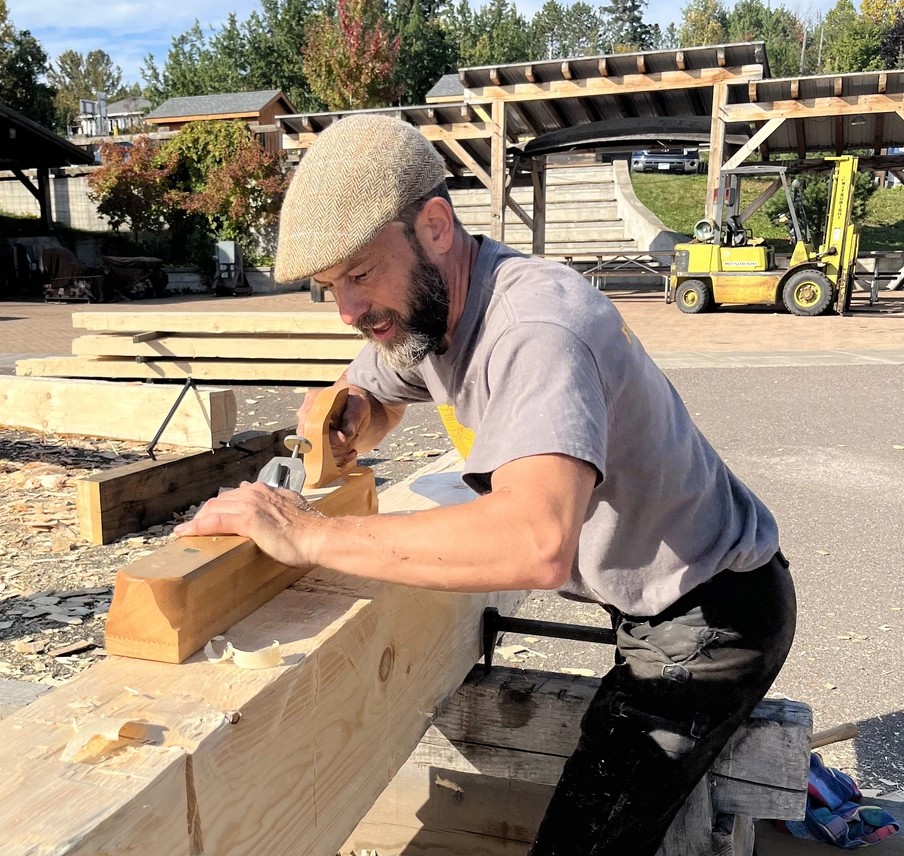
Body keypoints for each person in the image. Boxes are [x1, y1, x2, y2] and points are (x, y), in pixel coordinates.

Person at [174, 115, 796, 856]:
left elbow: (534, 543)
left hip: (713, 612)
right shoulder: (428, 311)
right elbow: (378, 387)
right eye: (328, 287)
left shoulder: (534, 329)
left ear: (435, 225)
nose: (348, 311)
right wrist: (351, 418)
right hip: (655, 596)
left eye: (361, 274)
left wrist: (311, 534)